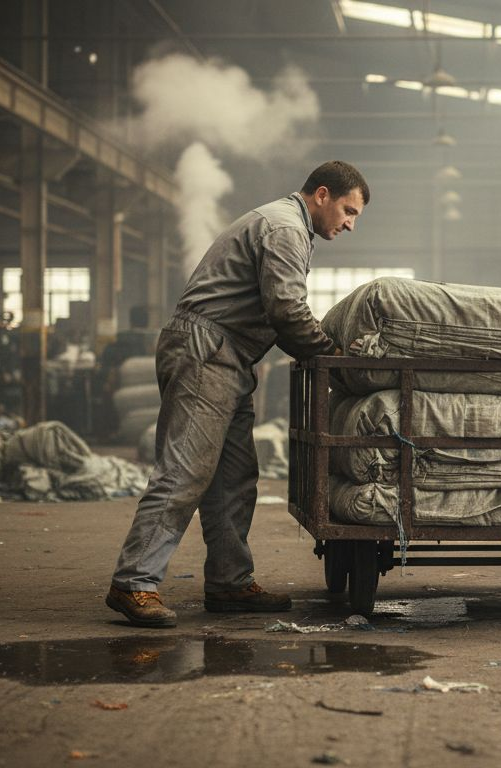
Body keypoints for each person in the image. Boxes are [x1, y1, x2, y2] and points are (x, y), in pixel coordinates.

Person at [107, 161, 368, 628]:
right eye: (348, 211)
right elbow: (286, 308)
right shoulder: (285, 228)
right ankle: (135, 582)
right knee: (185, 470)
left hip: (230, 356)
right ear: (323, 194)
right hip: (207, 350)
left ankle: (229, 581)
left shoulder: (289, 226)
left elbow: (279, 311)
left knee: (234, 476)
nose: (349, 223)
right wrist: (331, 353)